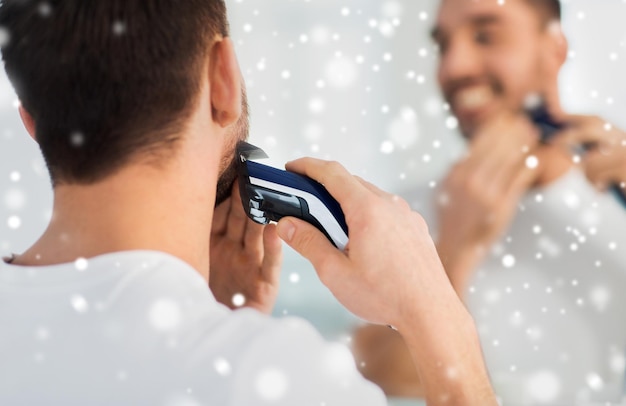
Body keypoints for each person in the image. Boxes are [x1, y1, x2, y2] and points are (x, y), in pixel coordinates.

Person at [0, 0, 497, 404]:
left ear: (32, 122)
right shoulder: (283, 380)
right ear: (224, 79)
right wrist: (434, 310)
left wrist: (223, 331)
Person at [352, 0, 626, 404]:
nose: (453, 67)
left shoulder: (616, 202)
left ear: (555, 49)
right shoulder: (396, 216)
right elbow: (379, 388)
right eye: (443, 45)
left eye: (485, 35)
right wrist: (452, 249)